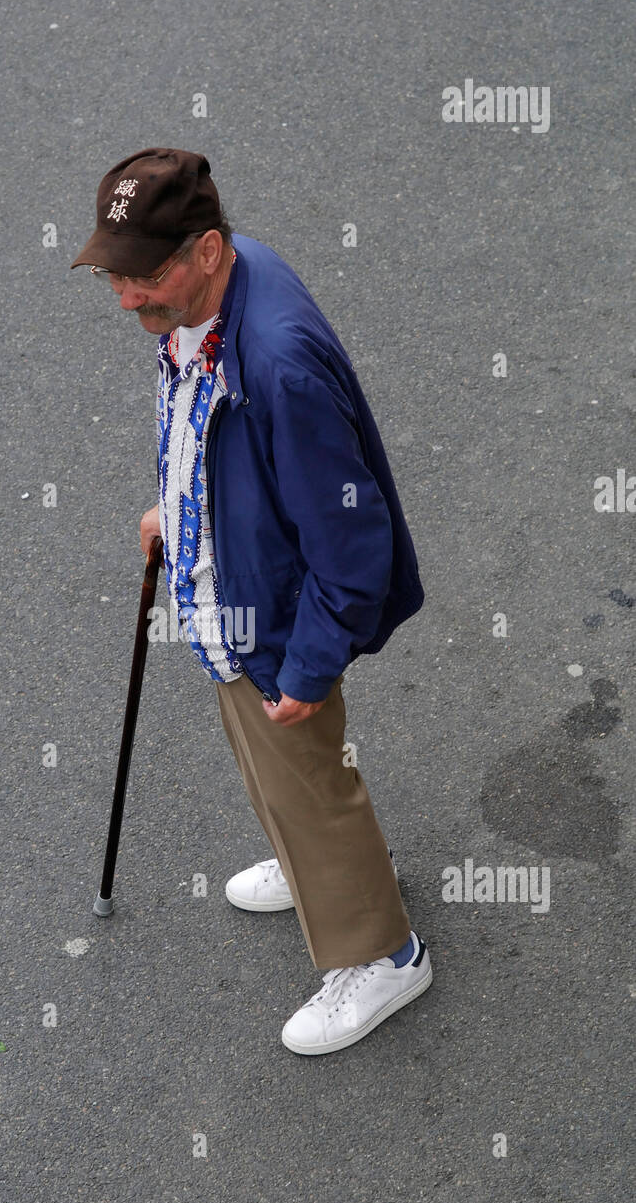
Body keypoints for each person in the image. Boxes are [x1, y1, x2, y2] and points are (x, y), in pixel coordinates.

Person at [70, 147, 433, 1055]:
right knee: (280, 772)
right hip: (236, 591)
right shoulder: (219, 296)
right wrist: (178, 503)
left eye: (144, 277)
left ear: (208, 250)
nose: (127, 301)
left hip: (274, 625)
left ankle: (385, 954)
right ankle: (325, 870)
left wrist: (310, 665)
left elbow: (353, 543)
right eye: (115, 276)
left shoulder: (277, 366)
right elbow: (212, 429)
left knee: (305, 770)